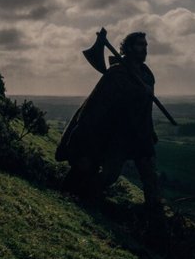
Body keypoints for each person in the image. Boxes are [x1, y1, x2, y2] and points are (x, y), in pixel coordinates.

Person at [56, 32, 162, 213]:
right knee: (109, 175)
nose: (144, 49)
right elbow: (97, 106)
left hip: (140, 134)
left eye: (145, 45)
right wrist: (84, 134)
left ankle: (155, 216)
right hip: (118, 135)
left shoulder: (146, 75)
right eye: (139, 45)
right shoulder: (116, 74)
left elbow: (145, 109)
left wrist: (150, 131)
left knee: (150, 176)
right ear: (128, 48)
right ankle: (81, 195)